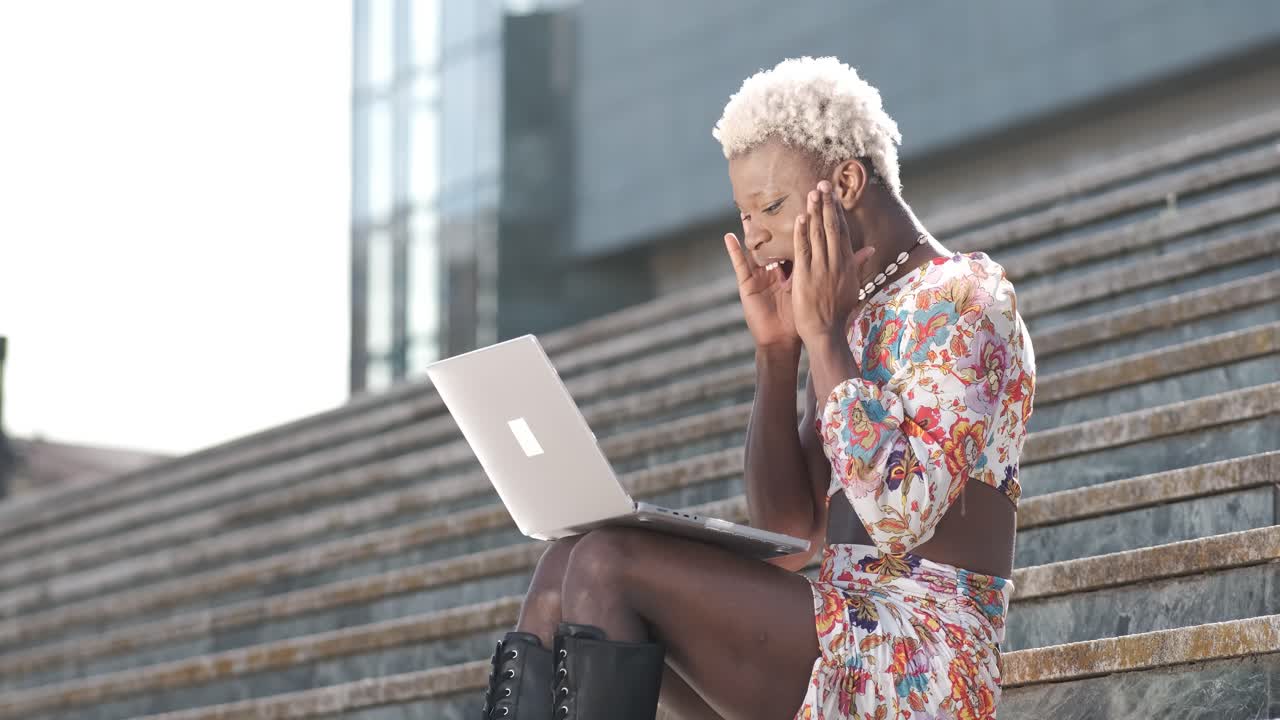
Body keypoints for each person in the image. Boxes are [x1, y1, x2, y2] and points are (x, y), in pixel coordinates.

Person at [481, 56, 1036, 720]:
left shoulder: (966, 297)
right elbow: (790, 530)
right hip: (841, 632)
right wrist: (778, 354)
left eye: (771, 206)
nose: (755, 235)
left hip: (925, 660)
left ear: (848, 181)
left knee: (608, 563)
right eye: (745, 215)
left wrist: (825, 338)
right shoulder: (847, 312)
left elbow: (900, 516)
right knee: (567, 561)